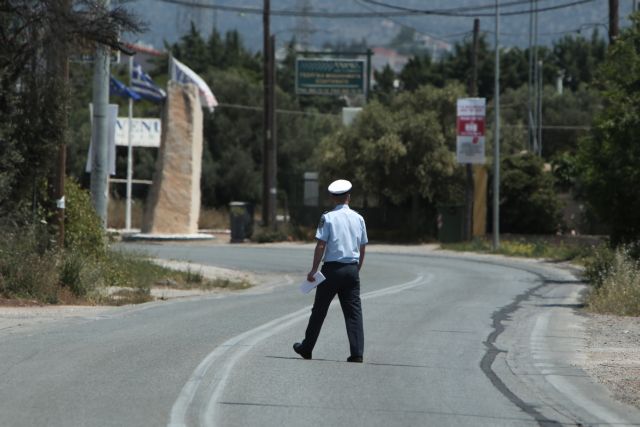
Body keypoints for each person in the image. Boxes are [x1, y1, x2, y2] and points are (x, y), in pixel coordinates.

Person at [293, 179, 368, 363]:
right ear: (348, 197)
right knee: (353, 312)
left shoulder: (328, 218)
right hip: (351, 269)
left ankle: (307, 347)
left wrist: (313, 270)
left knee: (319, 310)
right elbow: (362, 246)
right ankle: (357, 352)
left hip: (331, 270)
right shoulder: (359, 218)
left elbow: (321, 245)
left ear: (332, 198)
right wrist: (356, 268)